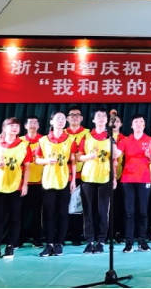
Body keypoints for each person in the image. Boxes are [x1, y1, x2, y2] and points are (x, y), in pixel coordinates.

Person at [0, 118, 32, 260]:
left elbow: (27, 167)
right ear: (4, 128)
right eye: (11, 125)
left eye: (16, 126)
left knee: (14, 218)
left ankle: (10, 247)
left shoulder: (24, 145)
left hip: (15, 185)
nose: (14, 128)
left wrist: (25, 185)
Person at [34, 111, 77, 257]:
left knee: (63, 212)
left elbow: (73, 161)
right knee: (48, 213)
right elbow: (37, 159)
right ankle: (49, 243)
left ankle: (59, 243)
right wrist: (46, 161)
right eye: (58, 118)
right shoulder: (43, 140)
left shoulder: (70, 139)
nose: (61, 121)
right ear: (51, 121)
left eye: (63, 119)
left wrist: (73, 180)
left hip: (64, 180)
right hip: (48, 180)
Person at [77, 107, 117, 255]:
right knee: (88, 211)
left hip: (105, 177)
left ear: (107, 120)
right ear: (93, 119)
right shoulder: (86, 136)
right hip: (88, 177)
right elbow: (79, 156)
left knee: (103, 211)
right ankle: (89, 241)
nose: (101, 118)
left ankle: (101, 241)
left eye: (103, 116)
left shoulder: (111, 136)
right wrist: (89, 157)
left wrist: (114, 177)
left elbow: (115, 158)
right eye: (98, 116)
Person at [117, 114, 151, 253]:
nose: (139, 124)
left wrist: (150, 156)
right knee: (129, 213)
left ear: (144, 125)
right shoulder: (125, 140)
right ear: (131, 125)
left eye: (141, 121)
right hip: (127, 179)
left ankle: (142, 242)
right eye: (136, 122)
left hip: (144, 178)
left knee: (143, 212)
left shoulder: (150, 140)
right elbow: (116, 154)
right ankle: (129, 243)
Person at [65, 105, 89, 246]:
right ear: (67, 118)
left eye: (77, 115)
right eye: (72, 115)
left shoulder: (88, 134)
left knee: (78, 207)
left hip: (83, 175)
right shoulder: (61, 133)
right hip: (63, 175)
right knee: (63, 206)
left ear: (82, 118)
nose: (74, 117)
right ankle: (62, 234)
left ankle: (76, 235)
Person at [20, 115, 44, 248]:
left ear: (39, 126)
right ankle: (17, 239)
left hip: (39, 182)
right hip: (21, 182)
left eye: (35, 123)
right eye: (30, 123)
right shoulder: (19, 141)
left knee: (37, 213)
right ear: (25, 126)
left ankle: (36, 238)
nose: (33, 125)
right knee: (18, 212)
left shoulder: (44, 140)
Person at [112, 116, 126, 244]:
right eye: (112, 121)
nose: (114, 123)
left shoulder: (124, 139)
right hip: (103, 175)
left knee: (118, 206)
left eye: (117, 121)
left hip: (120, 176)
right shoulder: (103, 137)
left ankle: (118, 232)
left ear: (121, 124)